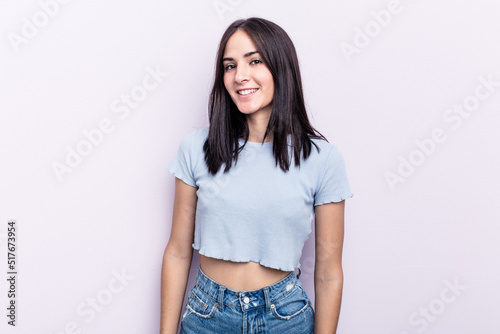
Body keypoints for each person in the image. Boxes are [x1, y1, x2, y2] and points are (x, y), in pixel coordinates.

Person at [160, 17, 353, 334]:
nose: (240, 76)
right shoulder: (196, 148)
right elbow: (178, 253)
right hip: (207, 316)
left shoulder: (323, 160)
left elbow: (329, 272)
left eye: (255, 61)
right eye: (229, 65)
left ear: (281, 68)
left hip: (285, 318)